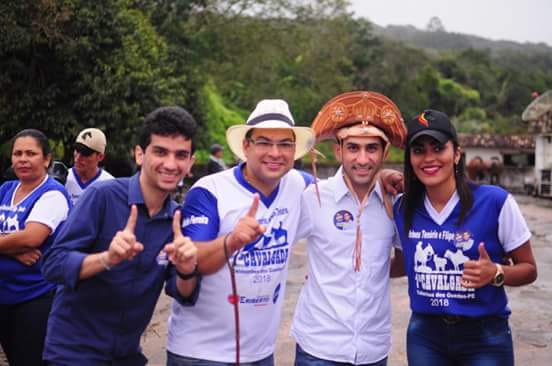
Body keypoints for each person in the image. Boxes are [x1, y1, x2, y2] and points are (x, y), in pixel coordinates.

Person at [41, 106, 200, 365]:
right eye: (160, 152)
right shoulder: (102, 197)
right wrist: (107, 258)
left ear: (190, 163)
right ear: (140, 154)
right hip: (73, 353)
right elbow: (53, 264)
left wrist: (186, 269)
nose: (171, 164)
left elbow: (184, 293)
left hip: (126, 355)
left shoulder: (177, 222)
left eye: (181, 155)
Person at [166, 99, 315, 365]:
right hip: (200, 354)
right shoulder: (209, 191)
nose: (275, 152)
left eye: (285, 144)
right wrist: (232, 241)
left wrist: (380, 180)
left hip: (260, 353)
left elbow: (341, 192)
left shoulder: (298, 185)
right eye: (264, 142)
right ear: (246, 146)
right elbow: (193, 260)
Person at [393, 109, 538, 366]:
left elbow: (529, 269)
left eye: (438, 148)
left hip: (484, 336)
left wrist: (496, 272)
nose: (429, 158)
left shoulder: (495, 202)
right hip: (426, 336)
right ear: (410, 159)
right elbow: (403, 264)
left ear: (457, 153)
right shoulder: (403, 207)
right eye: (419, 150)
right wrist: (338, 268)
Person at [291, 91, 406, 366]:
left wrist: (368, 271)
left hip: (372, 349)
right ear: (338, 150)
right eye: (353, 148)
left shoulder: (396, 204)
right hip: (318, 347)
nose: (363, 159)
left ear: (385, 152)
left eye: (372, 148)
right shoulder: (314, 197)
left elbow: (404, 262)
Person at [0, 129, 71, 365]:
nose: (22, 159)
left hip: (35, 297)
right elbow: (21, 240)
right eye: (17, 153)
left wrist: (18, 243)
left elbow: (32, 238)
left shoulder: (53, 194)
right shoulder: (6, 190)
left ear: (47, 159)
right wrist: (12, 249)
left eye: (30, 153)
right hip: (4, 295)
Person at [65, 127, 114, 205]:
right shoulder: (62, 179)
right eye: (77, 150)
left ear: (100, 157)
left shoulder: (109, 184)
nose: (78, 158)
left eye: (85, 153)